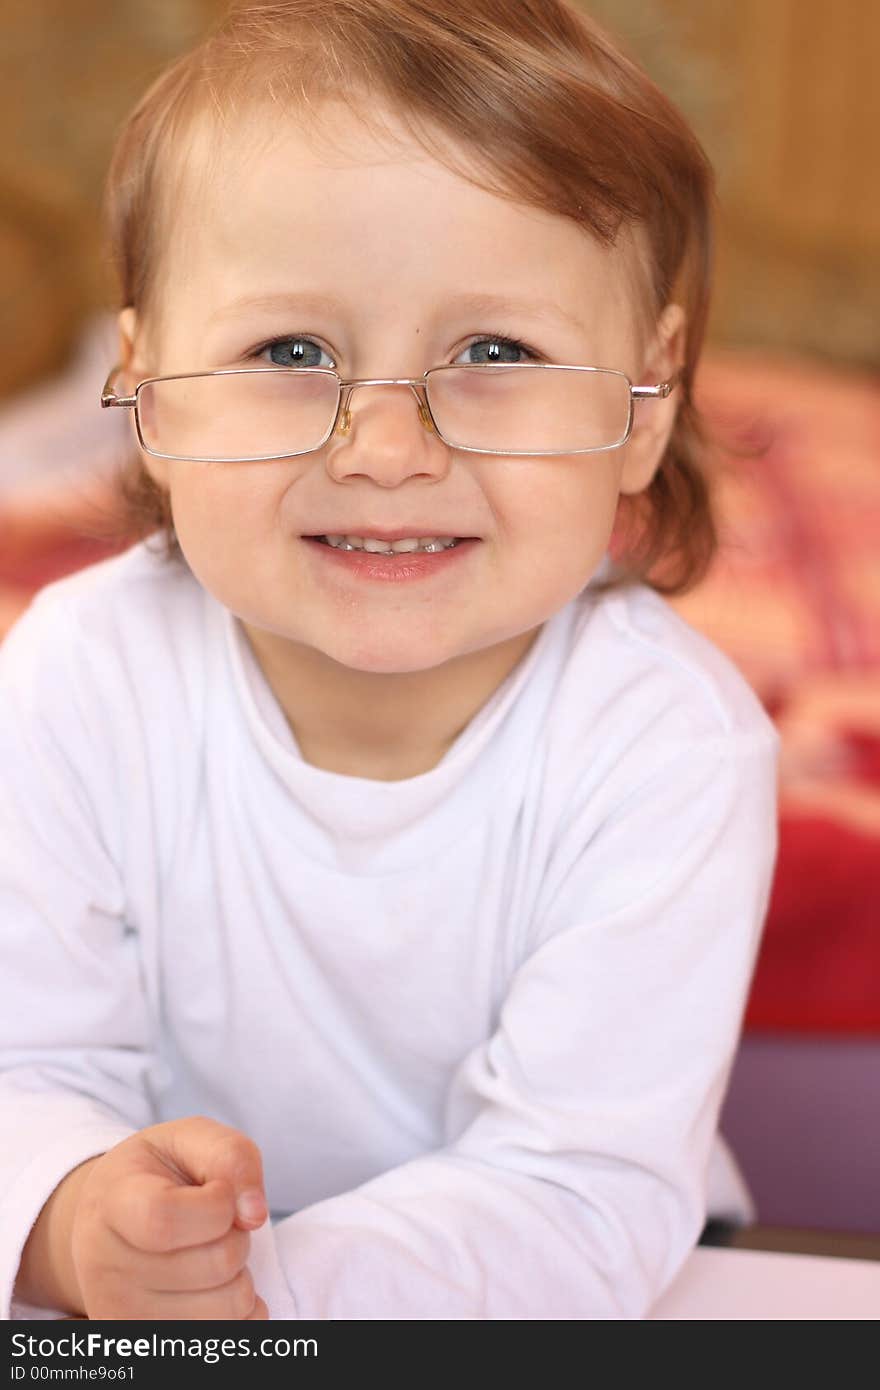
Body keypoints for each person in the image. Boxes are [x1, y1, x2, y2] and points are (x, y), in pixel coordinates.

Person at [1, 0, 779, 1321]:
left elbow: (575, 1185)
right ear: (147, 389)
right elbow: (22, 1061)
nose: (385, 446)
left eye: (494, 350)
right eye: (291, 350)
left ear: (645, 407)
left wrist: (263, 1300)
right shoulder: (79, 676)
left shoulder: (667, 744)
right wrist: (75, 1218)